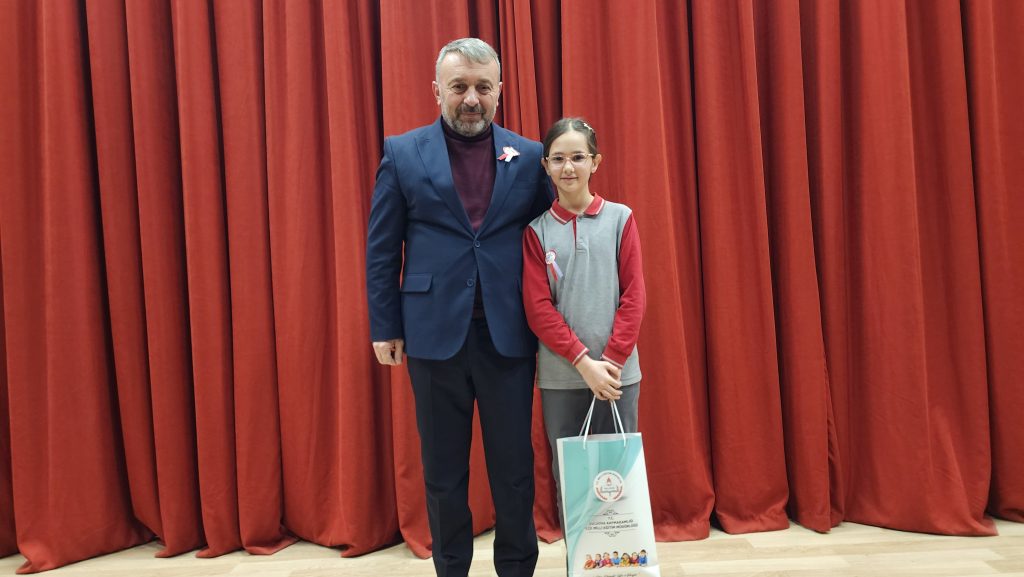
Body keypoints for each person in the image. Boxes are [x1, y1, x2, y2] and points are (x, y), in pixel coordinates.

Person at [366, 38, 552, 577]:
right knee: (443, 471)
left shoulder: (529, 156)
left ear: (499, 91)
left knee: (514, 468)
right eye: (459, 87)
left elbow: (549, 239)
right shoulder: (402, 152)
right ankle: (451, 568)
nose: (471, 98)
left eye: (482, 87)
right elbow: (382, 249)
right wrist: (384, 325)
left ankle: (517, 568)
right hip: (431, 336)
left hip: (507, 335)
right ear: (437, 90)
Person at [522, 117, 647, 515]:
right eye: (558, 159)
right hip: (562, 378)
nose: (568, 167)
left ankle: (622, 554)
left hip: (616, 376)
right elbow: (538, 309)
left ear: (595, 162)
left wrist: (610, 362)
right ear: (546, 166)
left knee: (617, 481)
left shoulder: (621, 219)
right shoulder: (536, 232)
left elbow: (634, 296)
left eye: (578, 157)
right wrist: (583, 363)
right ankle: (578, 551)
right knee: (574, 481)